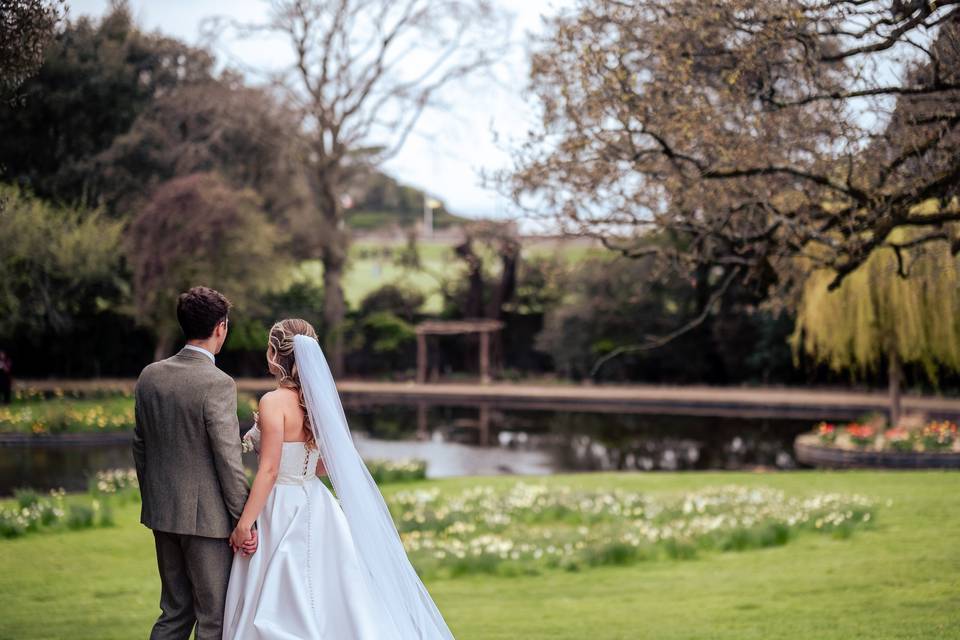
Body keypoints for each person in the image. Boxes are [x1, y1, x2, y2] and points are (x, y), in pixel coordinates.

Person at [222, 319, 455, 639]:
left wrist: (244, 524)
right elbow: (326, 466)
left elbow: (270, 470)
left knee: (278, 589)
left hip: (282, 504)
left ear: (274, 354)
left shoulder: (273, 402)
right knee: (332, 591)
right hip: (317, 502)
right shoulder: (316, 402)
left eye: (268, 347)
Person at [133, 287, 255, 640]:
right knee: (214, 618)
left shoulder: (150, 376)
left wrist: (155, 498)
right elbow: (228, 458)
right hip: (208, 523)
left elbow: (139, 446)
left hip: (162, 514)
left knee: (173, 612)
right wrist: (243, 519)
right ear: (221, 327)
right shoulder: (217, 383)